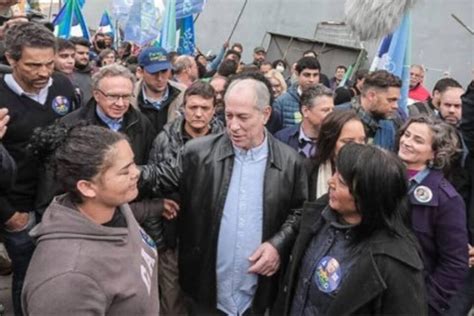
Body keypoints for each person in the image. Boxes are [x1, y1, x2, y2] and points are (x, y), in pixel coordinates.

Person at [140, 78, 307, 315]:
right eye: (229, 116)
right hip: (205, 293)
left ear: (266, 114)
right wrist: (119, 173)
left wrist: (277, 244)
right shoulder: (197, 153)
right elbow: (157, 176)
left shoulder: (291, 163)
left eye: (243, 117)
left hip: (256, 296)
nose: (234, 126)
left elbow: (299, 212)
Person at [22, 125, 160, 315]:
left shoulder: (116, 206)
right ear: (87, 187)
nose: (136, 172)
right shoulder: (67, 281)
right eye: (124, 171)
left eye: (133, 163)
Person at [279, 143, 427, 315]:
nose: (330, 182)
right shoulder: (320, 212)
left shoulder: (395, 264)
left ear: (368, 196)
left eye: (341, 182)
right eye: (335, 173)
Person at [0, 22, 77, 315]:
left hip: (58, 205)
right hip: (18, 210)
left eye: (49, 63)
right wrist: (10, 215)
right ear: (11, 58)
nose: (44, 73)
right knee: (27, 276)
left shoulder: (62, 86)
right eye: (33, 65)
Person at [147, 81, 225, 315]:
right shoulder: (164, 140)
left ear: (214, 110)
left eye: (205, 108)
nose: (198, 113)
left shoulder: (226, 140)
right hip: (173, 235)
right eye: (193, 107)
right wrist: (159, 242)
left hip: (210, 238)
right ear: (183, 108)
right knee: (171, 302)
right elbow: (153, 189)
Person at [398, 116, 469, 314]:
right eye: (406, 134)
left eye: (418, 140)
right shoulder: (387, 176)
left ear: (435, 153)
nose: (406, 142)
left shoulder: (447, 200)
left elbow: (455, 263)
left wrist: (426, 303)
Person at [308, 110, 366, 201]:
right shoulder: (309, 171)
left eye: (362, 140)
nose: (357, 146)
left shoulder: (373, 172)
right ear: (330, 142)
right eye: (348, 142)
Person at [337, 69, 401, 150]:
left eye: (396, 101)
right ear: (371, 96)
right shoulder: (337, 117)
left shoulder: (389, 126)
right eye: (390, 100)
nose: (396, 106)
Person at [133, 46, 184, 136]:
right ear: (140, 71)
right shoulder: (129, 96)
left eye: (164, 71)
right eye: (153, 73)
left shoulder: (184, 93)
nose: (160, 78)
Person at [275, 84, 334, 158]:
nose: (331, 115)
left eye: (332, 110)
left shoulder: (335, 139)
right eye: (325, 110)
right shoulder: (282, 139)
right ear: (305, 111)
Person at [274, 57, 321, 127]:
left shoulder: (325, 101)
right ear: (297, 74)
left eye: (315, 75)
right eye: (307, 75)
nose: (311, 79)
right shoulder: (281, 102)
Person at [69, 36, 93, 106]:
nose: (85, 57)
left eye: (87, 53)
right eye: (81, 53)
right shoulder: (64, 75)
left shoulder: (95, 74)